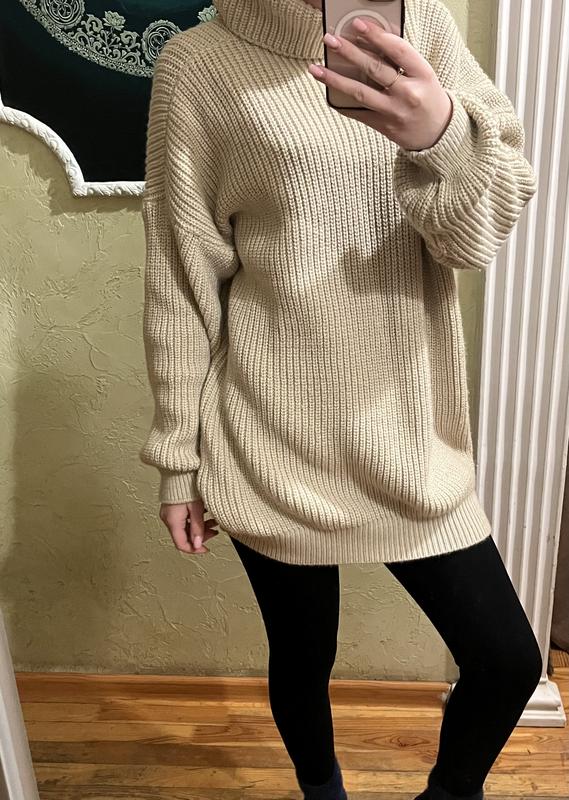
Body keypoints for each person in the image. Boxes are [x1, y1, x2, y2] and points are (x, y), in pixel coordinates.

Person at [138, 1, 542, 798]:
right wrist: (177, 460)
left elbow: (473, 240)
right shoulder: (198, 64)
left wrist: (441, 137)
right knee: (301, 656)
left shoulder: (421, 25)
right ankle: (321, 791)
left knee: (505, 660)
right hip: (269, 435)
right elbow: (181, 281)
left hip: (411, 439)